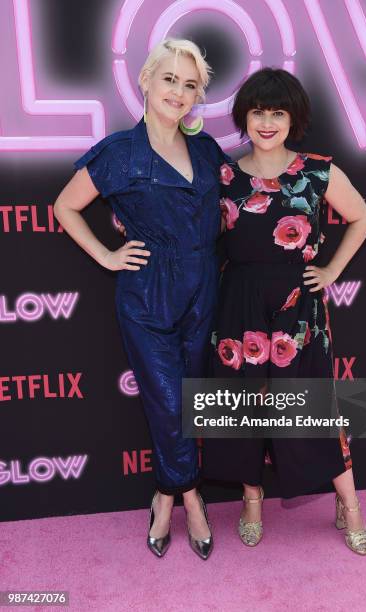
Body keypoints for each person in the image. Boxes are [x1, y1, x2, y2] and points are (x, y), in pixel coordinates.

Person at [53, 38, 230, 560]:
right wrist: (106, 256)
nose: (179, 91)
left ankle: (162, 492)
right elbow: (66, 206)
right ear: (146, 81)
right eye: (170, 79)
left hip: (204, 291)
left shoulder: (204, 149)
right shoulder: (117, 152)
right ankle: (189, 498)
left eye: (190, 84)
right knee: (170, 404)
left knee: (191, 402)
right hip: (147, 296)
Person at [202, 68, 366, 555]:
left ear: (293, 118)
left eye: (278, 112)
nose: (267, 121)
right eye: (258, 111)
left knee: (317, 409)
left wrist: (332, 269)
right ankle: (251, 501)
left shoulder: (317, 171)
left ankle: (351, 506)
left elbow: (362, 216)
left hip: (299, 309)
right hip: (238, 304)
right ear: (244, 117)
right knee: (241, 410)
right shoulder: (225, 176)